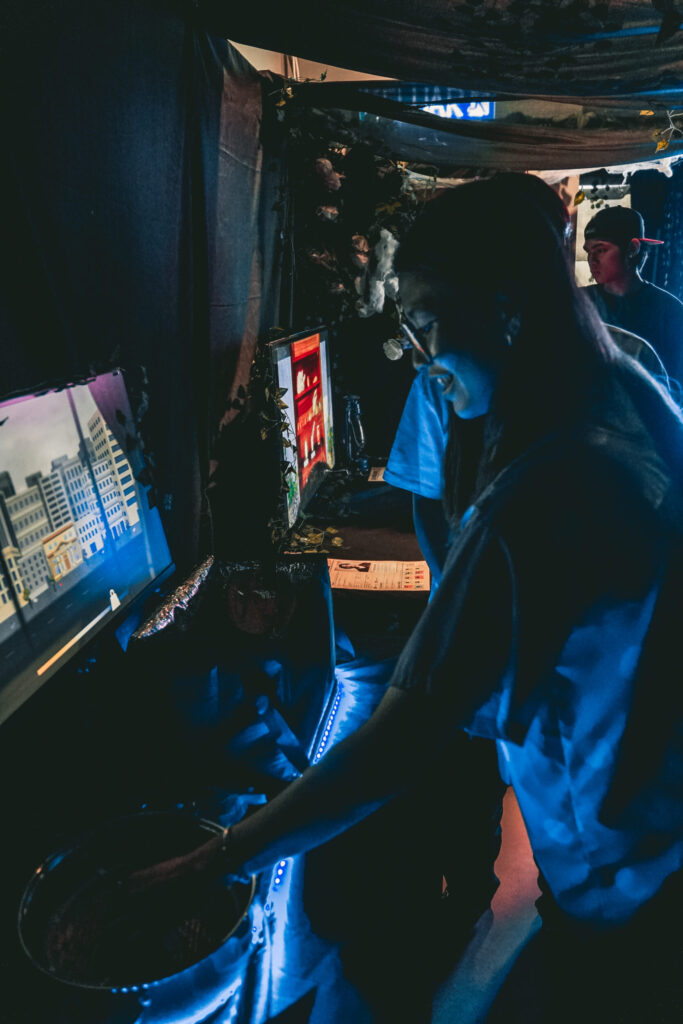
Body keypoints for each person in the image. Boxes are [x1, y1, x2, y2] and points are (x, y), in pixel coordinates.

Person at [131, 175, 683, 1021]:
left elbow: (401, 739)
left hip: (619, 876)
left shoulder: (536, 499)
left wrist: (211, 863)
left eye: (427, 322)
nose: (421, 356)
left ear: (505, 311)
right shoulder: (628, 393)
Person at [582, 204, 683, 384]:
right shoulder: (580, 302)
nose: (592, 260)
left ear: (632, 249)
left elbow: (676, 385)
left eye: (600, 250)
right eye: (589, 251)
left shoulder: (670, 311)